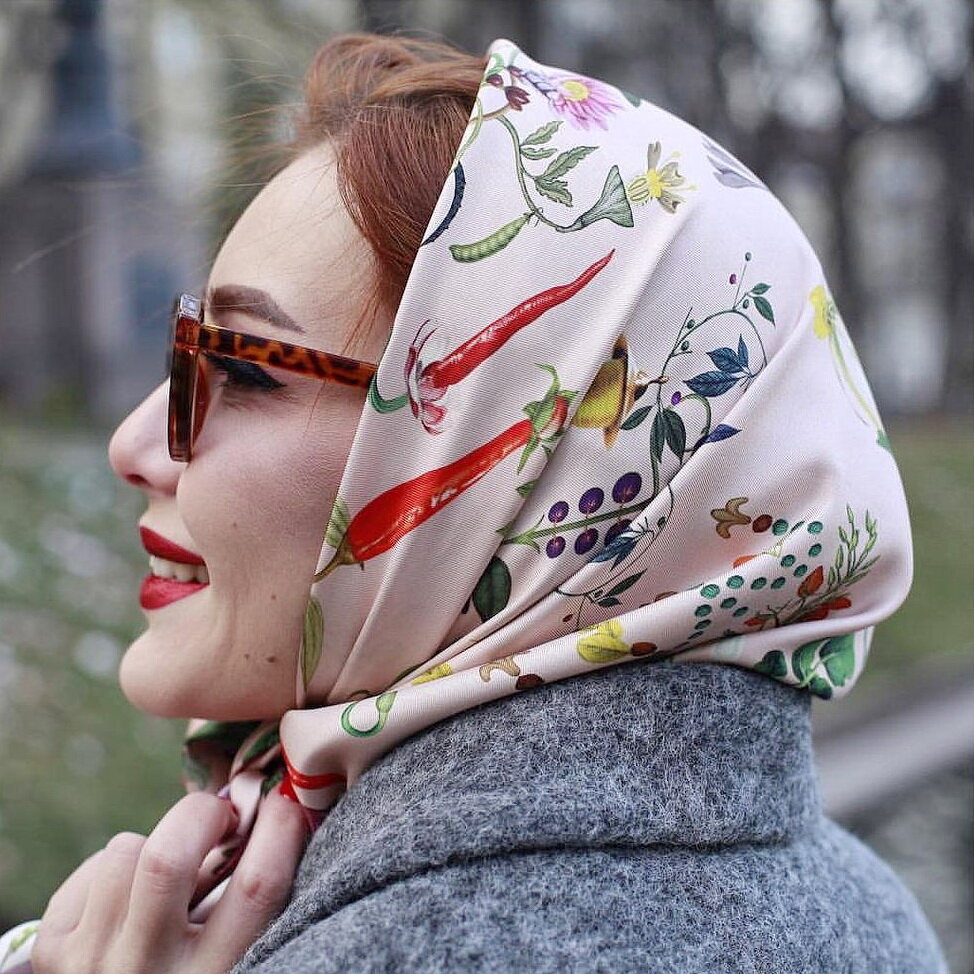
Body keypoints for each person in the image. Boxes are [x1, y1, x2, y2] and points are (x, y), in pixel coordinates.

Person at [0, 32, 949, 974]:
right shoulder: (864, 904)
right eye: (186, 351)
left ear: (525, 460)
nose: (134, 446)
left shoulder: (411, 948)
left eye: (244, 369)